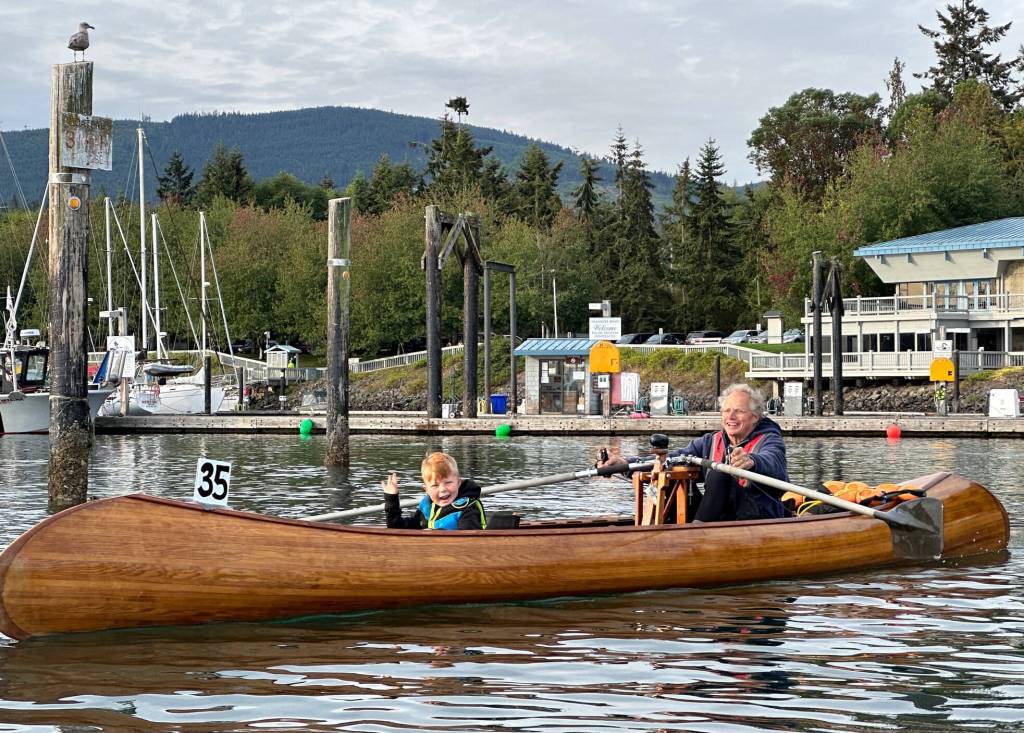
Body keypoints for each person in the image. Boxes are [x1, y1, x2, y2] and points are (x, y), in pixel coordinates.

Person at [599, 383, 788, 522]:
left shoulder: (770, 440)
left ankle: (695, 534)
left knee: (719, 474)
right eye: (726, 411)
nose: (730, 417)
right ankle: (666, 530)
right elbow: (673, 457)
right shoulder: (710, 441)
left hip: (755, 516)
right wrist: (625, 464)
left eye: (738, 411)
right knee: (671, 472)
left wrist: (752, 461)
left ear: (755, 417)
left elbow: (773, 461)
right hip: (719, 517)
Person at [382, 451, 487, 529]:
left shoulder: (469, 508)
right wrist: (392, 499)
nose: (442, 489)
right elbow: (396, 528)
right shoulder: (426, 509)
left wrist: (433, 534)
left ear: (459, 482)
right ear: (426, 489)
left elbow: (468, 540)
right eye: (435, 486)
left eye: (448, 483)